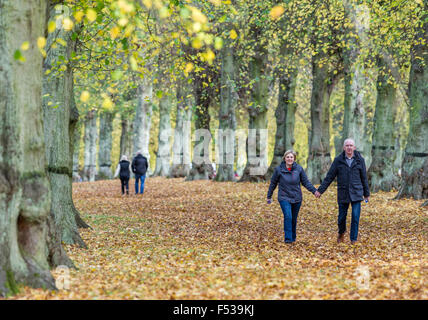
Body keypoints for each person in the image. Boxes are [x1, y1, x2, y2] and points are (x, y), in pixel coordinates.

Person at [315, 138, 370, 244]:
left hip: (356, 192)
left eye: (351, 145)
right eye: (347, 145)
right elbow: (329, 177)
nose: (349, 147)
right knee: (341, 218)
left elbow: (364, 177)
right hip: (343, 193)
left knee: (355, 216)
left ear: (354, 147)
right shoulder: (338, 160)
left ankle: (353, 239)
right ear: (344, 147)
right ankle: (341, 232)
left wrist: (366, 193)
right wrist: (320, 190)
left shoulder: (360, 160)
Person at [267, 150, 317, 243]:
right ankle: (288, 239)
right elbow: (273, 183)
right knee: (288, 216)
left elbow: (305, 182)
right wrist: (269, 196)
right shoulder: (279, 169)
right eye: (288, 157)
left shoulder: (299, 169)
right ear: (284, 158)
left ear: (294, 159)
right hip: (284, 197)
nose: (289, 159)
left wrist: (314, 191)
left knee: (293, 218)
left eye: (291, 157)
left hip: (296, 197)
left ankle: (293, 238)